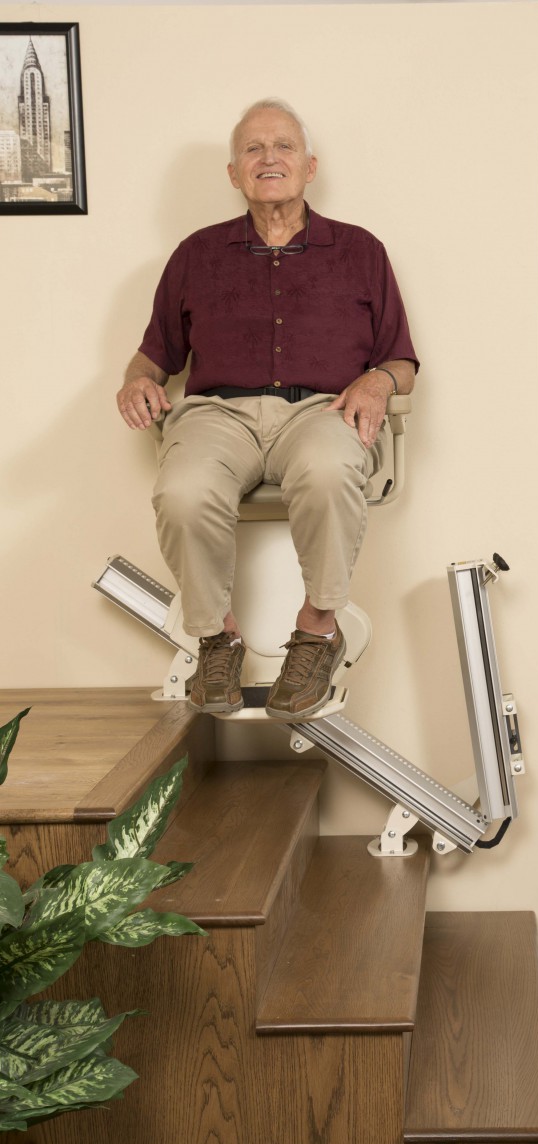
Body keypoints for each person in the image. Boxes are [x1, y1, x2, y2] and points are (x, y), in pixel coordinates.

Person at [116, 99, 418, 720]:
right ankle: (215, 636)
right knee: (181, 490)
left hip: (321, 412)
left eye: (282, 146)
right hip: (217, 418)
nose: (268, 158)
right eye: (253, 149)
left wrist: (376, 384)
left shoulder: (361, 251)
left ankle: (317, 630)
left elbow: (403, 362)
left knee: (332, 471)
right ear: (234, 173)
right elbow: (154, 358)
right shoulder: (195, 255)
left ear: (309, 166)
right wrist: (134, 382)